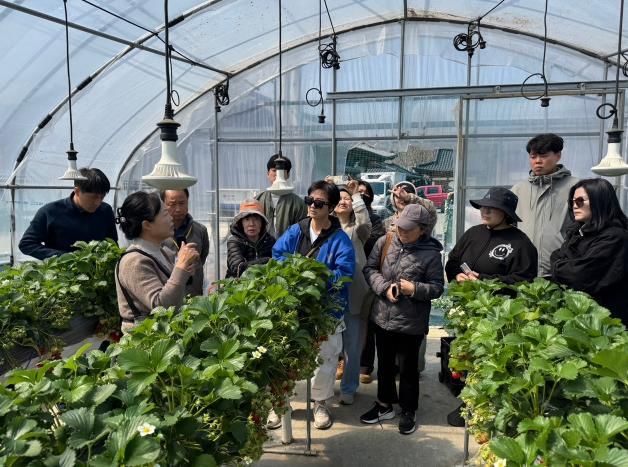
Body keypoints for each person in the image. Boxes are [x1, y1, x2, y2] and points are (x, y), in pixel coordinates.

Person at [444, 187, 538, 427]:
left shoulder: (520, 243)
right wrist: (457, 275)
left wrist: (484, 281)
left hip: (497, 316)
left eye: (491, 208)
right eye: (483, 207)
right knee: (467, 357)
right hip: (467, 310)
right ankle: (469, 402)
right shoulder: (473, 233)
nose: (484, 211)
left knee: (489, 362)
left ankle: (487, 409)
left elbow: (524, 281)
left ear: (505, 213)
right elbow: (453, 261)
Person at [273, 180, 355, 430]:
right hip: (293, 307)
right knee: (284, 355)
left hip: (326, 310)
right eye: (309, 201)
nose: (312, 206)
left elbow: (345, 273)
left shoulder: (340, 239)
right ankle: (280, 403)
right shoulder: (296, 231)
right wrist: (297, 273)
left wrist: (315, 276)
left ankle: (320, 403)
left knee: (326, 357)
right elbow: (278, 255)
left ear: (331, 207)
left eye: (319, 203)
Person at [361, 204, 444, 435]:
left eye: (408, 229)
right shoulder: (385, 242)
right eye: (400, 227)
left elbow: (437, 287)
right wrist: (385, 288)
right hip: (382, 317)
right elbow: (369, 269)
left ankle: (408, 410)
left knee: (408, 369)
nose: (402, 232)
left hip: (411, 322)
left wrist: (414, 289)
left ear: (422, 229)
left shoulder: (431, 254)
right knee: (384, 365)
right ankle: (385, 404)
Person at [115, 191, 199, 333]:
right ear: (147, 225)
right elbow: (161, 307)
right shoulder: (133, 262)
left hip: (164, 335)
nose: (171, 217)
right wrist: (180, 268)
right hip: (145, 340)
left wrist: (185, 268)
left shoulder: (163, 251)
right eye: (165, 214)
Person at [550, 178, 628, 326]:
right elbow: (555, 256)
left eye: (580, 201)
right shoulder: (578, 232)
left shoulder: (615, 237)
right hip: (583, 316)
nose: (574, 206)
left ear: (599, 201)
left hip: (607, 321)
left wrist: (559, 265)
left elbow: (579, 277)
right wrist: (564, 264)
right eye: (572, 201)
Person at [511, 133, 579, 277]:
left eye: (543, 156)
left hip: (562, 268)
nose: (537, 161)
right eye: (533, 157)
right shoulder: (518, 190)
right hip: (522, 270)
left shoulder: (576, 187)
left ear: (558, 156)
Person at [330, 179, 372, 405]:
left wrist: (356, 195)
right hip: (330, 294)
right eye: (339, 198)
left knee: (353, 346)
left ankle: (348, 388)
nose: (343, 201)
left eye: (347, 198)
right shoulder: (325, 229)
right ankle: (324, 388)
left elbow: (365, 222)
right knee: (326, 346)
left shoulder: (358, 230)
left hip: (355, 294)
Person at [19, 168, 117, 259]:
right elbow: (27, 244)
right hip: (62, 271)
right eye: (93, 197)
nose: (98, 202)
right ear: (77, 191)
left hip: (98, 269)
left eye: (102, 197)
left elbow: (113, 244)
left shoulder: (105, 211)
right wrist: (65, 258)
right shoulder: (50, 212)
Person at [357, 179, 387, 385]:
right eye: (356, 192)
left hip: (367, 275)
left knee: (367, 321)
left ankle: (365, 365)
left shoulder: (375, 220)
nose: (360, 195)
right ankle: (342, 360)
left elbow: (371, 241)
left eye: (364, 192)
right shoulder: (341, 217)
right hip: (348, 275)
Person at [161, 189, 209, 296]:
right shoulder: (157, 232)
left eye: (182, 203)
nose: (178, 209)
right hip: (167, 295)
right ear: (163, 205)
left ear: (187, 202)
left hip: (194, 295)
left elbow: (202, 257)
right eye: (172, 204)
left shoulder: (200, 230)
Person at [256, 154, 308, 238]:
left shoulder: (298, 204)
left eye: (282, 171)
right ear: (268, 173)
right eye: (274, 170)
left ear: (288, 174)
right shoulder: (258, 200)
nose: (278, 174)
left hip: (287, 245)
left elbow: (302, 232)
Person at [226, 199, 275, 278]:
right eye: (247, 219)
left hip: (264, 282)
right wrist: (266, 261)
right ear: (241, 223)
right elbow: (238, 269)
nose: (251, 224)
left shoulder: (269, 240)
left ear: (262, 223)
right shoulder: (234, 241)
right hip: (238, 283)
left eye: (256, 219)